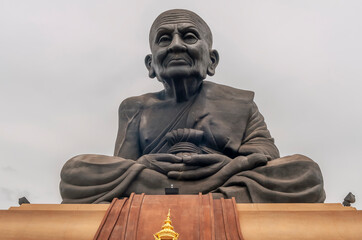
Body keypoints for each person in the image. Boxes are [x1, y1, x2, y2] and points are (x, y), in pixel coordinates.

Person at [60, 9, 325, 204]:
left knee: (305, 172)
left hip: (223, 178)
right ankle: (212, 197)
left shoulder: (239, 102)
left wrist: (226, 166)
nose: (176, 45)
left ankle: (192, 194)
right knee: (76, 171)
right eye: (164, 39)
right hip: (161, 181)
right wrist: (146, 163)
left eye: (188, 37)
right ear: (151, 65)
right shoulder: (135, 107)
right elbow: (123, 169)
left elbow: (265, 156)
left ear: (211, 60)